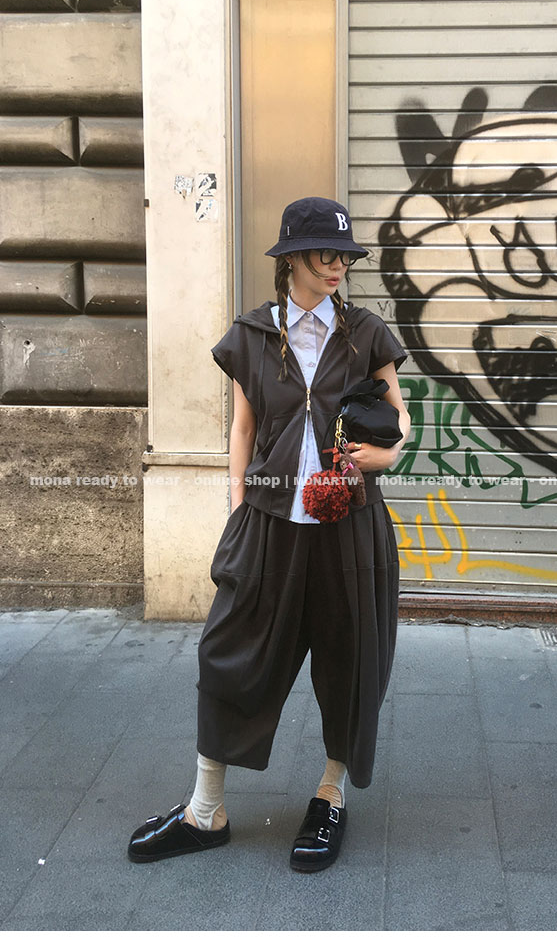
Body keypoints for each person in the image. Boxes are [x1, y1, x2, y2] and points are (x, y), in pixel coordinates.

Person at [128, 196, 410, 872]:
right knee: (227, 652)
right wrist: (237, 508)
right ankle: (206, 810)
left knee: (350, 660)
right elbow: (244, 428)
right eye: (325, 254)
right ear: (292, 259)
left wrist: (387, 453)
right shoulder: (254, 334)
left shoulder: (366, 333)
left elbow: (400, 418)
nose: (338, 266)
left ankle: (329, 794)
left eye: (345, 255)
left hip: (350, 526)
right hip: (269, 523)